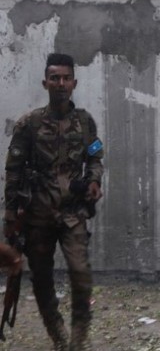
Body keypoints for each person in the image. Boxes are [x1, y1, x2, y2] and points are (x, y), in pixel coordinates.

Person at [5, 53, 105, 350]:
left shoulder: (86, 122)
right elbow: (13, 171)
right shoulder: (29, 124)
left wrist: (95, 180)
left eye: (65, 78)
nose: (60, 84)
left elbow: (95, 157)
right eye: (54, 78)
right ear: (45, 82)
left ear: (74, 82)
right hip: (38, 214)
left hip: (73, 212)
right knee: (43, 279)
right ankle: (58, 335)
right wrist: (10, 215)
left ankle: (78, 337)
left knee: (81, 273)